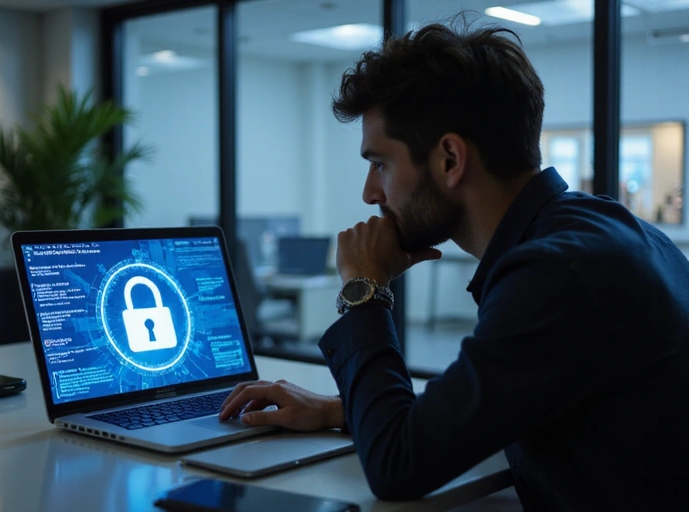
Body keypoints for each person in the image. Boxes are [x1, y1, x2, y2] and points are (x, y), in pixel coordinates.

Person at [219, 16, 689, 511]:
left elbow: (398, 465)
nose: (370, 192)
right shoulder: (600, 228)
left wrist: (364, 287)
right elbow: (494, 408)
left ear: (449, 159)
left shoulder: (556, 274)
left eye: (380, 164)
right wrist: (344, 410)